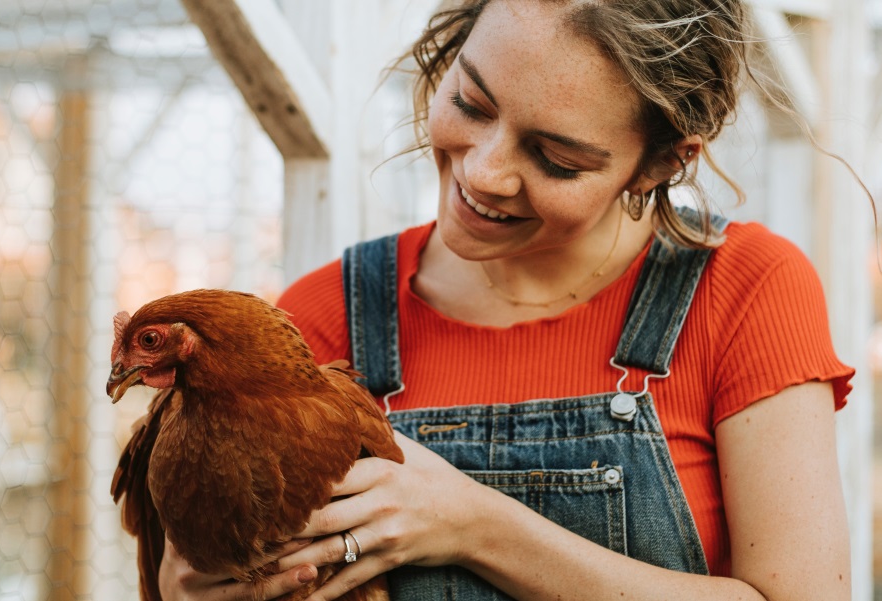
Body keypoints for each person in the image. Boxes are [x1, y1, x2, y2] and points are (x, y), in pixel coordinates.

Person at [159, 0, 855, 599]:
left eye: (557, 158)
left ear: (662, 161)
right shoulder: (322, 315)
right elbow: (194, 576)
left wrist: (477, 525)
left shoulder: (745, 288)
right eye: (470, 103)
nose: (485, 171)